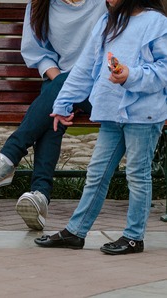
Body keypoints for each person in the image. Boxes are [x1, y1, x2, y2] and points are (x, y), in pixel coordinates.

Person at [35, 0, 167, 255]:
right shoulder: (107, 22)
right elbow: (84, 68)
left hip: (143, 115)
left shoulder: (157, 23)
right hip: (110, 112)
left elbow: (164, 70)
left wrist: (131, 75)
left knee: (137, 176)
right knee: (96, 174)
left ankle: (133, 237)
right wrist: (63, 102)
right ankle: (75, 232)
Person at [0, 0, 107, 230]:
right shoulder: (40, 5)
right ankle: (39, 197)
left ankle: (9, 158)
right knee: (54, 116)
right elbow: (40, 54)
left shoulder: (104, 2)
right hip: (60, 82)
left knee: (57, 96)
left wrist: (71, 84)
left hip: (102, 86)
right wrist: (66, 86)